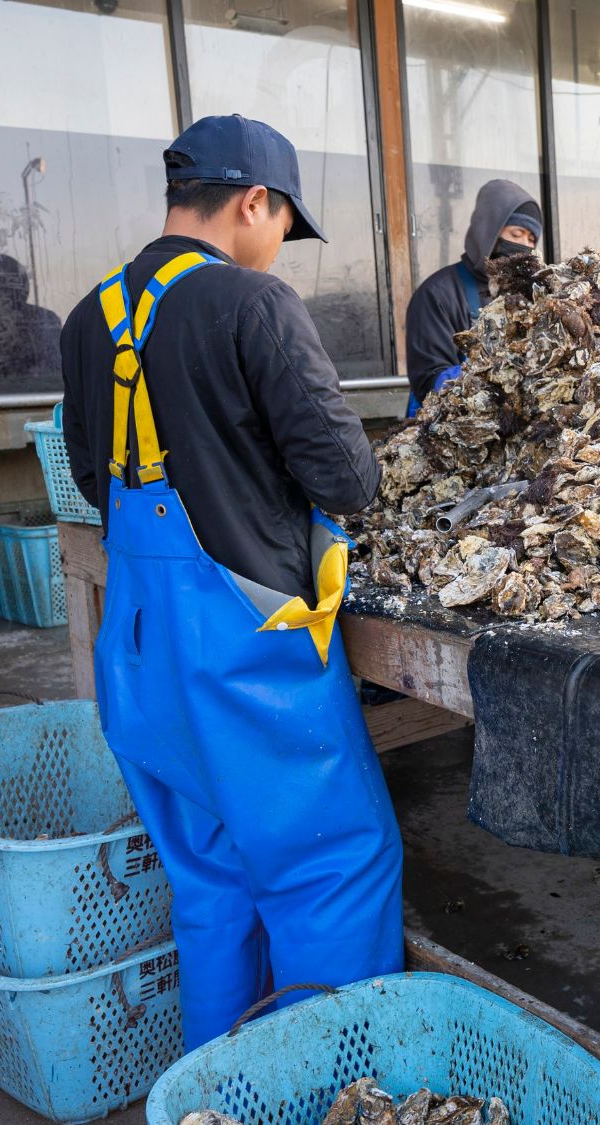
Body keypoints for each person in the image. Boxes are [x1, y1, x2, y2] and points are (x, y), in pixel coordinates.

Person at [58, 114, 403, 1050]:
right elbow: (348, 479)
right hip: (245, 659)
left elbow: (92, 476)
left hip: (139, 649)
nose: (282, 243)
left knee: (211, 884)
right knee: (331, 871)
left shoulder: (89, 318)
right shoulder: (253, 304)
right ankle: (327, 1091)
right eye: (285, 221)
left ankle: (220, 1092)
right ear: (254, 200)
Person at [402, 179, 542, 413]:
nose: (524, 245)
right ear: (488, 231)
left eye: (531, 240)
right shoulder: (437, 295)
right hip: (450, 426)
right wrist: (495, 372)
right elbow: (428, 380)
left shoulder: (529, 296)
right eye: (517, 234)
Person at [0, 254, 62, 378]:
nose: (3, 295)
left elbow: (56, 369)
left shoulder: (44, 319)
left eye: (9, 286)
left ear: (22, 287)